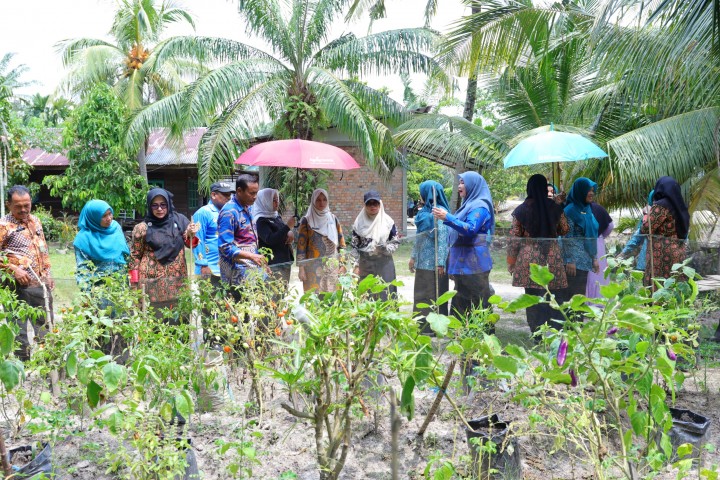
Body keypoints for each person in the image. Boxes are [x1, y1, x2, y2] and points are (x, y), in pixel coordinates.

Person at [507, 174, 569, 337]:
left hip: (530, 258)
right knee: (554, 295)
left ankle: (537, 334)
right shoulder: (555, 208)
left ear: (528, 188)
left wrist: (511, 261)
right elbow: (564, 230)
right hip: (552, 256)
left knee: (533, 297)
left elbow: (514, 237)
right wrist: (556, 205)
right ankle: (556, 333)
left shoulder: (520, 210)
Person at [0, 185, 54, 360]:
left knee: (46, 326)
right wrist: (13, 269)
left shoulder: (35, 221)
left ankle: (49, 370)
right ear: (9, 205)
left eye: (27, 205)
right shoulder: (3, 226)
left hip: (39, 284)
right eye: (18, 206)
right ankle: (22, 370)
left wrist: (48, 273)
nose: (23, 210)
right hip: (15, 287)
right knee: (19, 330)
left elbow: (43, 249)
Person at [432, 171, 495, 323]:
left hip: (474, 264)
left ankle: (481, 339)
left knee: (478, 302)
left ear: (473, 185)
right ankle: (461, 338)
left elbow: (471, 229)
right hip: (463, 262)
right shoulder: (467, 205)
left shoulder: (480, 206)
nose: (459, 186)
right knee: (461, 300)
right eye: (459, 182)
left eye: (463, 182)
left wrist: (448, 217)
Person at [128, 188, 199, 313]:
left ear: (169, 205)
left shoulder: (180, 221)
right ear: (149, 207)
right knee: (152, 317)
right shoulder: (142, 228)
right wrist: (134, 284)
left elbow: (191, 244)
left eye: (163, 205)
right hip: (150, 281)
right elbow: (135, 256)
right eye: (154, 206)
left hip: (176, 280)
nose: (159, 209)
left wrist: (190, 234)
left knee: (178, 316)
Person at [410, 181, 450, 329]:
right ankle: (422, 326)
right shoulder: (423, 213)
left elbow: (442, 238)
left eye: (421, 191)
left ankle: (434, 327)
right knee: (422, 294)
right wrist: (413, 256)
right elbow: (419, 237)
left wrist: (440, 262)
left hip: (435, 264)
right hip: (422, 262)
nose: (420, 194)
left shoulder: (439, 212)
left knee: (435, 294)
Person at [218, 175, 265, 291]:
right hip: (236, 275)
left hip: (251, 270)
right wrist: (251, 256)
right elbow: (225, 247)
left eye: (256, 193)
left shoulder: (247, 207)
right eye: (251, 193)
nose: (255, 197)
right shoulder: (229, 212)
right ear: (239, 191)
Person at [641, 176, 690, 287]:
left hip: (661, 253)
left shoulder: (661, 205)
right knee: (674, 282)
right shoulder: (681, 206)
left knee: (659, 284)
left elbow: (646, 228)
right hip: (678, 251)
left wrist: (646, 215)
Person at [351, 190, 400, 300]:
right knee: (365, 295)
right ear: (365, 205)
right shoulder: (358, 223)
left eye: (375, 203)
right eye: (369, 203)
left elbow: (395, 241)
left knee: (386, 294)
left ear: (380, 204)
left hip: (384, 263)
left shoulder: (388, 221)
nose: (373, 206)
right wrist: (356, 265)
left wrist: (385, 248)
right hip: (365, 264)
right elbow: (354, 246)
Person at [296, 189, 346, 293]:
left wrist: (343, 264)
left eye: (324, 200)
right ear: (313, 201)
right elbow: (301, 247)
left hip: (332, 266)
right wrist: (301, 269)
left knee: (332, 298)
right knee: (314, 299)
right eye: (318, 200)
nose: (321, 203)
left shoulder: (333, 219)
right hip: (312, 268)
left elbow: (342, 244)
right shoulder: (307, 220)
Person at [73, 199, 130, 290]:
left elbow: (125, 255)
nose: (109, 218)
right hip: (99, 290)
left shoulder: (116, 228)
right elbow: (83, 270)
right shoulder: (83, 239)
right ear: (93, 217)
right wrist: (87, 296)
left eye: (110, 213)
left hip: (121, 286)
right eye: (104, 216)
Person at [561, 177, 600, 301]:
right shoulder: (570, 210)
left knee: (580, 297)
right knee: (573, 299)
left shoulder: (587, 209)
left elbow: (592, 235)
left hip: (585, 261)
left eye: (593, 190)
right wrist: (570, 260)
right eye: (589, 190)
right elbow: (567, 237)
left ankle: (578, 320)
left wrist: (594, 258)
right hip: (574, 264)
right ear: (580, 191)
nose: (592, 193)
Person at [192, 181, 234, 282]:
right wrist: (203, 265)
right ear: (213, 195)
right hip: (210, 268)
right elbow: (197, 239)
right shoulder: (203, 213)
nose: (228, 198)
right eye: (225, 195)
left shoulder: (229, 212)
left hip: (228, 268)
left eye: (230, 195)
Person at [254, 188, 295, 284]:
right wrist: (287, 227)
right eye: (273, 200)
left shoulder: (276, 216)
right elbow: (270, 239)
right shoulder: (261, 221)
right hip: (273, 265)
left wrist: (289, 232)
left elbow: (282, 232)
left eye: (277, 200)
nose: (277, 203)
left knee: (282, 293)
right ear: (265, 201)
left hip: (284, 263)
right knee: (273, 295)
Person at [619, 190, 654, 272]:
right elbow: (638, 236)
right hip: (647, 262)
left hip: (664, 264)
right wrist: (623, 254)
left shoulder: (676, 214)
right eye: (655, 199)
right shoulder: (647, 216)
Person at [586, 201, 614, 299]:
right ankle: (599, 301)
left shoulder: (575, 207)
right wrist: (601, 236)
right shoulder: (598, 208)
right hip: (598, 243)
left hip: (585, 244)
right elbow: (610, 226)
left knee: (592, 275)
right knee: (598, 275)